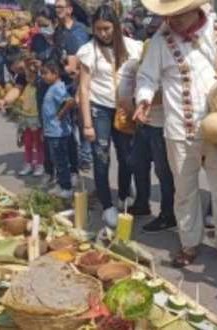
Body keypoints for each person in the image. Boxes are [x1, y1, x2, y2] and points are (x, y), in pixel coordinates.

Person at [135, 0, 217, 271]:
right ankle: (189, 242)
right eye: (169, 15)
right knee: (184, 191)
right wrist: (143, 99)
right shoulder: (160, 39)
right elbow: (146, 77)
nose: (173, 21)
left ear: (194, 9)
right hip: (180, 128)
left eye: (178, 15)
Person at [78, 5, 142, 229]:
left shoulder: (135, 47)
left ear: (116, 26)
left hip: (125, 110)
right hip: (99, 110)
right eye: (98, 29)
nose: (103, 33)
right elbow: (84, 89)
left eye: (107, 28)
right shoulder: (89, 50)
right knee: (101, 157)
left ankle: (124, 194)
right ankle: (107, 205)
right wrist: (87, 124)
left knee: (127, 157)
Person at [122, 16, 177, 233]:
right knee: (137, 162)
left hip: (162, 122)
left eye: (156, 29)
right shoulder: (147, 47)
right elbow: (141, 78)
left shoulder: (172, 50)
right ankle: (142, 203)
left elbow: (168, 92)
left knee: (164, 172)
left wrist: (142, 100)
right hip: (144, 120)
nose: (151, 33)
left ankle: (168, 213)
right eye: (149, 29)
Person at [54, 0, 92, 171]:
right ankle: (76, 155)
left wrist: (72, 69)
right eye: (56, 7)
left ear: (69, 10)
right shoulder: (59, 30)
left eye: (60, 7)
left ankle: (86, 157)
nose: (57, 10)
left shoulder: (79, 30)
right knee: (69, 121)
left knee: (81, 119)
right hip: (64, 81)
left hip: (78, 81)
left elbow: (79, 59)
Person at [41, 60, 76, 199]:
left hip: (58, 132)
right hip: (51, 131)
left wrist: (60, 115)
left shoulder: (58, 87)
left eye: (45, 73)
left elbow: (70, 101)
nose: (43, 76)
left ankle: (66, 187)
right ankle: (61, 184)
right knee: (56, 160)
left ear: (55, 74)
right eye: (42, 74)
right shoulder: (52, 87)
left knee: (61, 161)